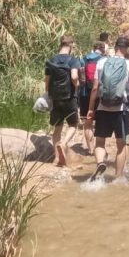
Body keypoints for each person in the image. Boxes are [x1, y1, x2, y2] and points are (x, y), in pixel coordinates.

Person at [86, 35, 129, 183]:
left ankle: (100, 162)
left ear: (115, 47)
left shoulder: (102, 62)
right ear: (126, 49)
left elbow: (95, 88)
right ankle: (118, 178)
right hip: (121, 109)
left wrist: (91, 109)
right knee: (121, 145)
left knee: (100, 142)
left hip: (102, 107)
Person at [45, 35, 81, 166]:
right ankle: (64, 143)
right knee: (73, 125)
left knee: (57, 127)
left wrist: (48, 93)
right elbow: (74, 76)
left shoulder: (52, 60)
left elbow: (47, 80)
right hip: (69, 97)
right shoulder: (72, 60)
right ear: (70, 45)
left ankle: (56, 158)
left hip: (55, 97)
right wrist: (77, 85)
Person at [79, 41, 106, 151]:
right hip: (99, 95)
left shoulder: (83, 59)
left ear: (94, 48)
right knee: (100, 122)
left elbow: (81, 78)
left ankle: (90, 149)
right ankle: (99, 148)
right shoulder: (104, 60)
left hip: (85, 93)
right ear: (103, 49)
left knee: (88, 122)